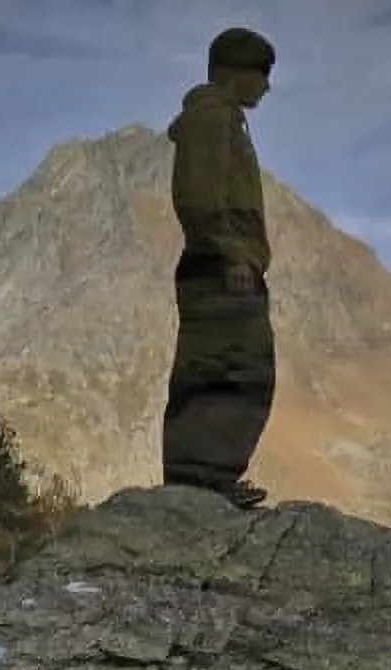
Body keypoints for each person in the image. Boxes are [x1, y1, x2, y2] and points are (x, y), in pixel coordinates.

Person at [161, 26, 277, 510]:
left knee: (233, 365)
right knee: (227, 366)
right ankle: (200, 479)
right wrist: (231, 253)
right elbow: (199, 196)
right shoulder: (211, 119)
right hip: (222, 265)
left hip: (228, 262)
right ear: (237, 73)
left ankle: (209, 476)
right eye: (262, 75)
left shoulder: (225, 120)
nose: (267, 88)